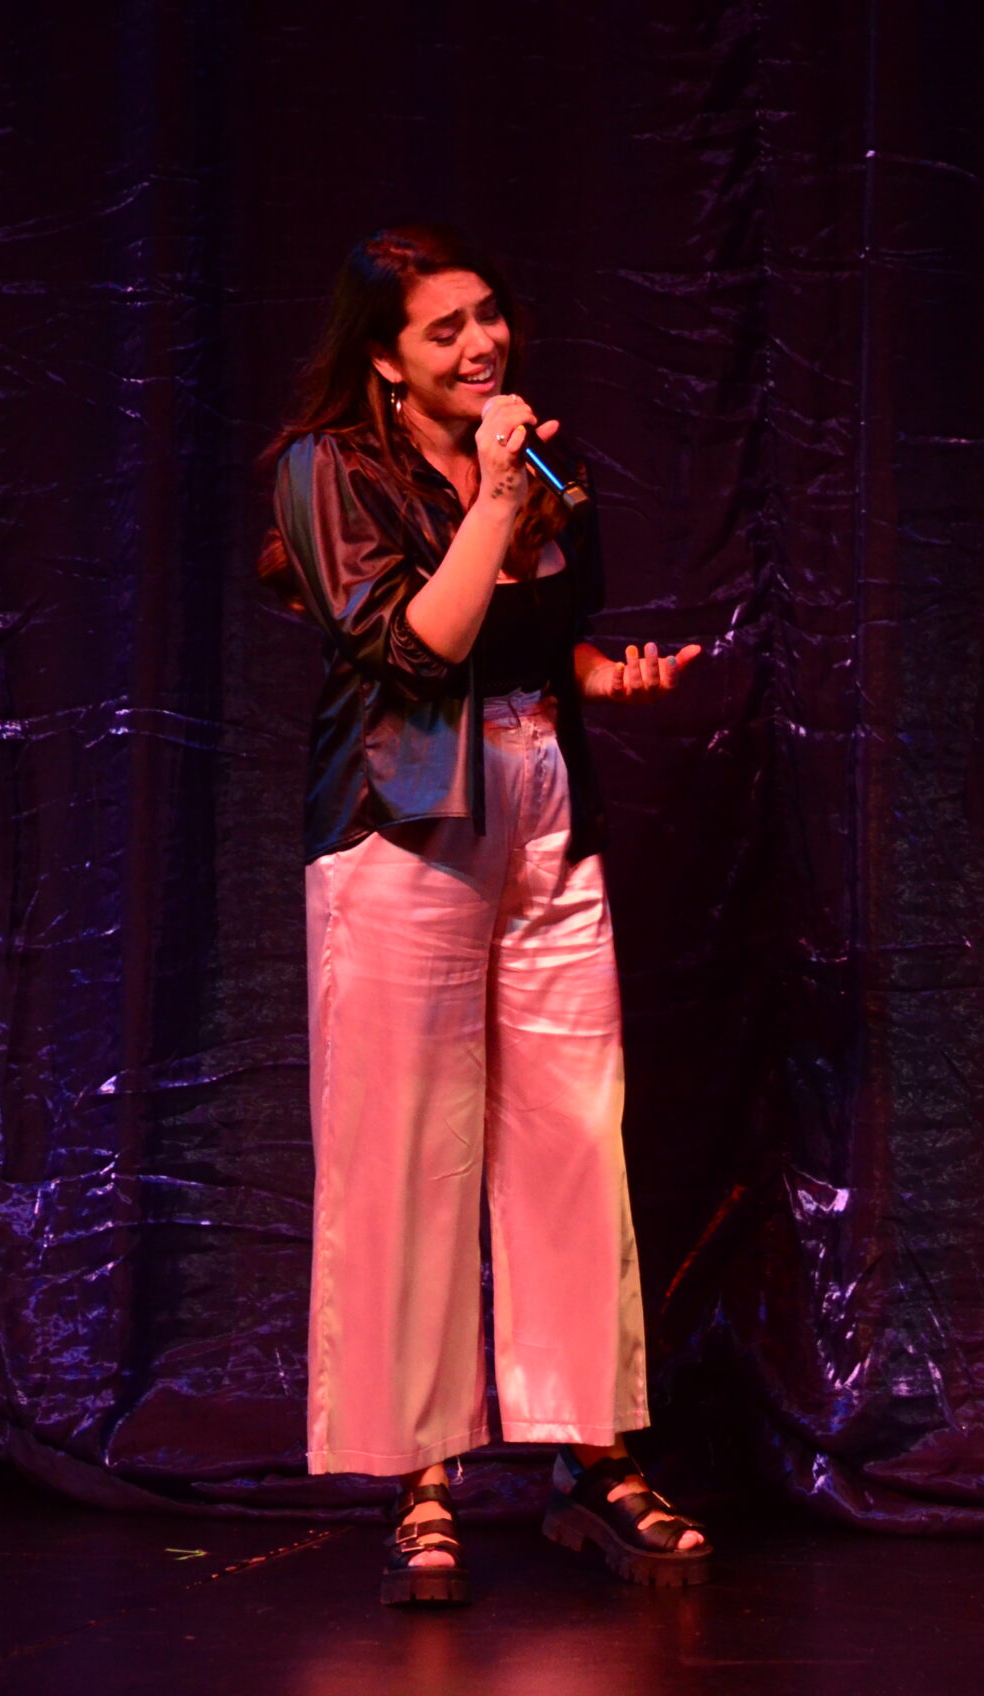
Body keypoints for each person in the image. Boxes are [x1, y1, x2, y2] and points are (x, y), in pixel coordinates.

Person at [261, 224, 710, 1606]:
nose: (481, 343)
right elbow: (419, 645)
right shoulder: (328, 469)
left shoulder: (536, 463)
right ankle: (419, 1479)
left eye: (489, 316)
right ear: (386, 361)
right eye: (444, 328)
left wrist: (601, 674)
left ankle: (592, 1452)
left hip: (544, 808)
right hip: (406, 824)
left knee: (575, 1133)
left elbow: (532, 642)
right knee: (406, 1150)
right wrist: (501, 497)